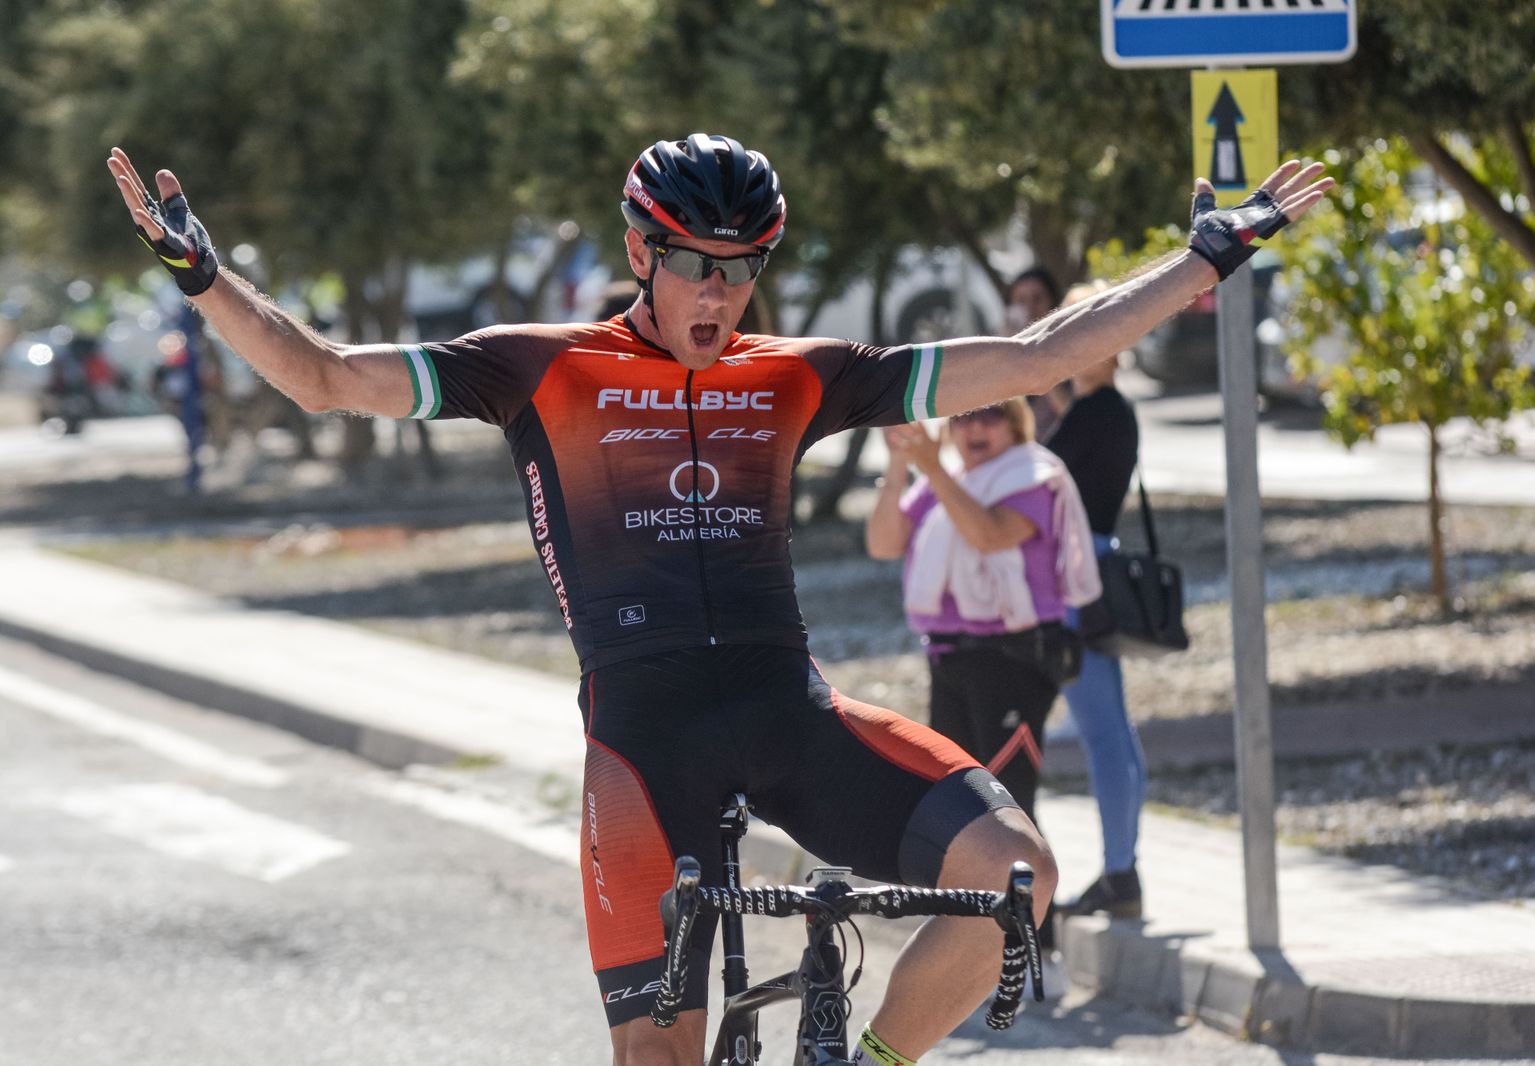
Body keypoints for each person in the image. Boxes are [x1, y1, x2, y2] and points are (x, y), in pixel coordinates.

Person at [108, 135, 1331, 1066]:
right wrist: (202, 276)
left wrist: (1205, 256)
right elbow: (320, 377)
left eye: (742, 270)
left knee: (1016, 871)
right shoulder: (537, 367)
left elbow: (1046, 351)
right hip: (642, 744)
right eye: (695, 265)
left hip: (786, 709)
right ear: (640, 251)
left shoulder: (799, 374)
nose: (719, 293)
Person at [864, 396, 1100, 997]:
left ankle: (1038, 958)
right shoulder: (952, 481)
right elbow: (884, 543)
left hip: (1013, 663)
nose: (974, 427)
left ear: (1016, 423)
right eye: (964, 416)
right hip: (951, 660)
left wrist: (935, 471)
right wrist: (899, 466)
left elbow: (992, 536)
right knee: (962, 814)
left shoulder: (1031, 474)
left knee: (1011, 809)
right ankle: (978, 959)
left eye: (990, 415)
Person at [1042, 280, 1148, 920]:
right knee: (1115, 735)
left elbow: (1041, 482)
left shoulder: (1094, 413)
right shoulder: (1107, 411)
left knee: (1105, 737)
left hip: (1079, 583)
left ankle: (1119, 873)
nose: (1078, 345)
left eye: (1091, 334)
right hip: (1095, 574)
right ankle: (1122, 870)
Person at [1003, 267, 1071, 438]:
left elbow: (1070, 414)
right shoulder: (1003, 354)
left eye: (1037, 299)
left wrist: (1034, 356)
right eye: (1021, 300)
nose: (1029, 308)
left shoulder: (1070, 349)